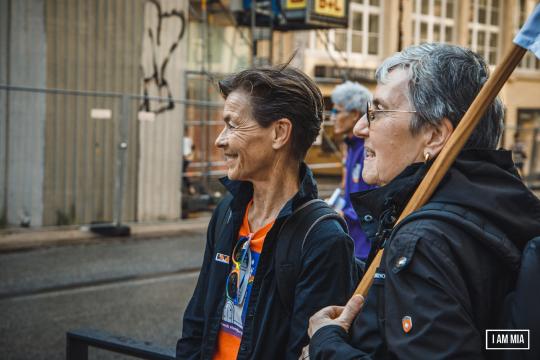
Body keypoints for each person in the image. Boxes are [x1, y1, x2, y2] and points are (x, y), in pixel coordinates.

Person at [307, 43, 540, 359]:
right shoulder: (505, 206)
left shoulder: (424, 241)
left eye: (377, 111)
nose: (361, 127)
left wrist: (326, 345)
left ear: (434, 135)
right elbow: (494, 339)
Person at [177, 65, 358, 360]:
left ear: (279, 132)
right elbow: (197, 320)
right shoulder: (227, 211)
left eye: (233, 125)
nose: (219, 140)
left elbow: (309, 351)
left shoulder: (323, 239)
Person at [330, 81, 377, 261]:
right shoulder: (349, 147)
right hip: (352, 241)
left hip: (365, 245)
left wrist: (343, 214)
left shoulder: (367, 147)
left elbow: (374, 196)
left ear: (355, 115)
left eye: (337, 111)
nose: (332, 117)